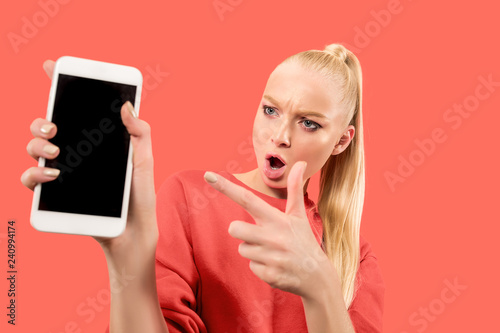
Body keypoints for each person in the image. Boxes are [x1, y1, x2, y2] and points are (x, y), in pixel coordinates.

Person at [21, 43, 385, 332]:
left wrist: (321, 287)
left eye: (308, 123)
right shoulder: (189, 196)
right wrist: (125, 261)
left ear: (341, 141)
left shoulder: (357, 259)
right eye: (270, 111)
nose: (280, 136)